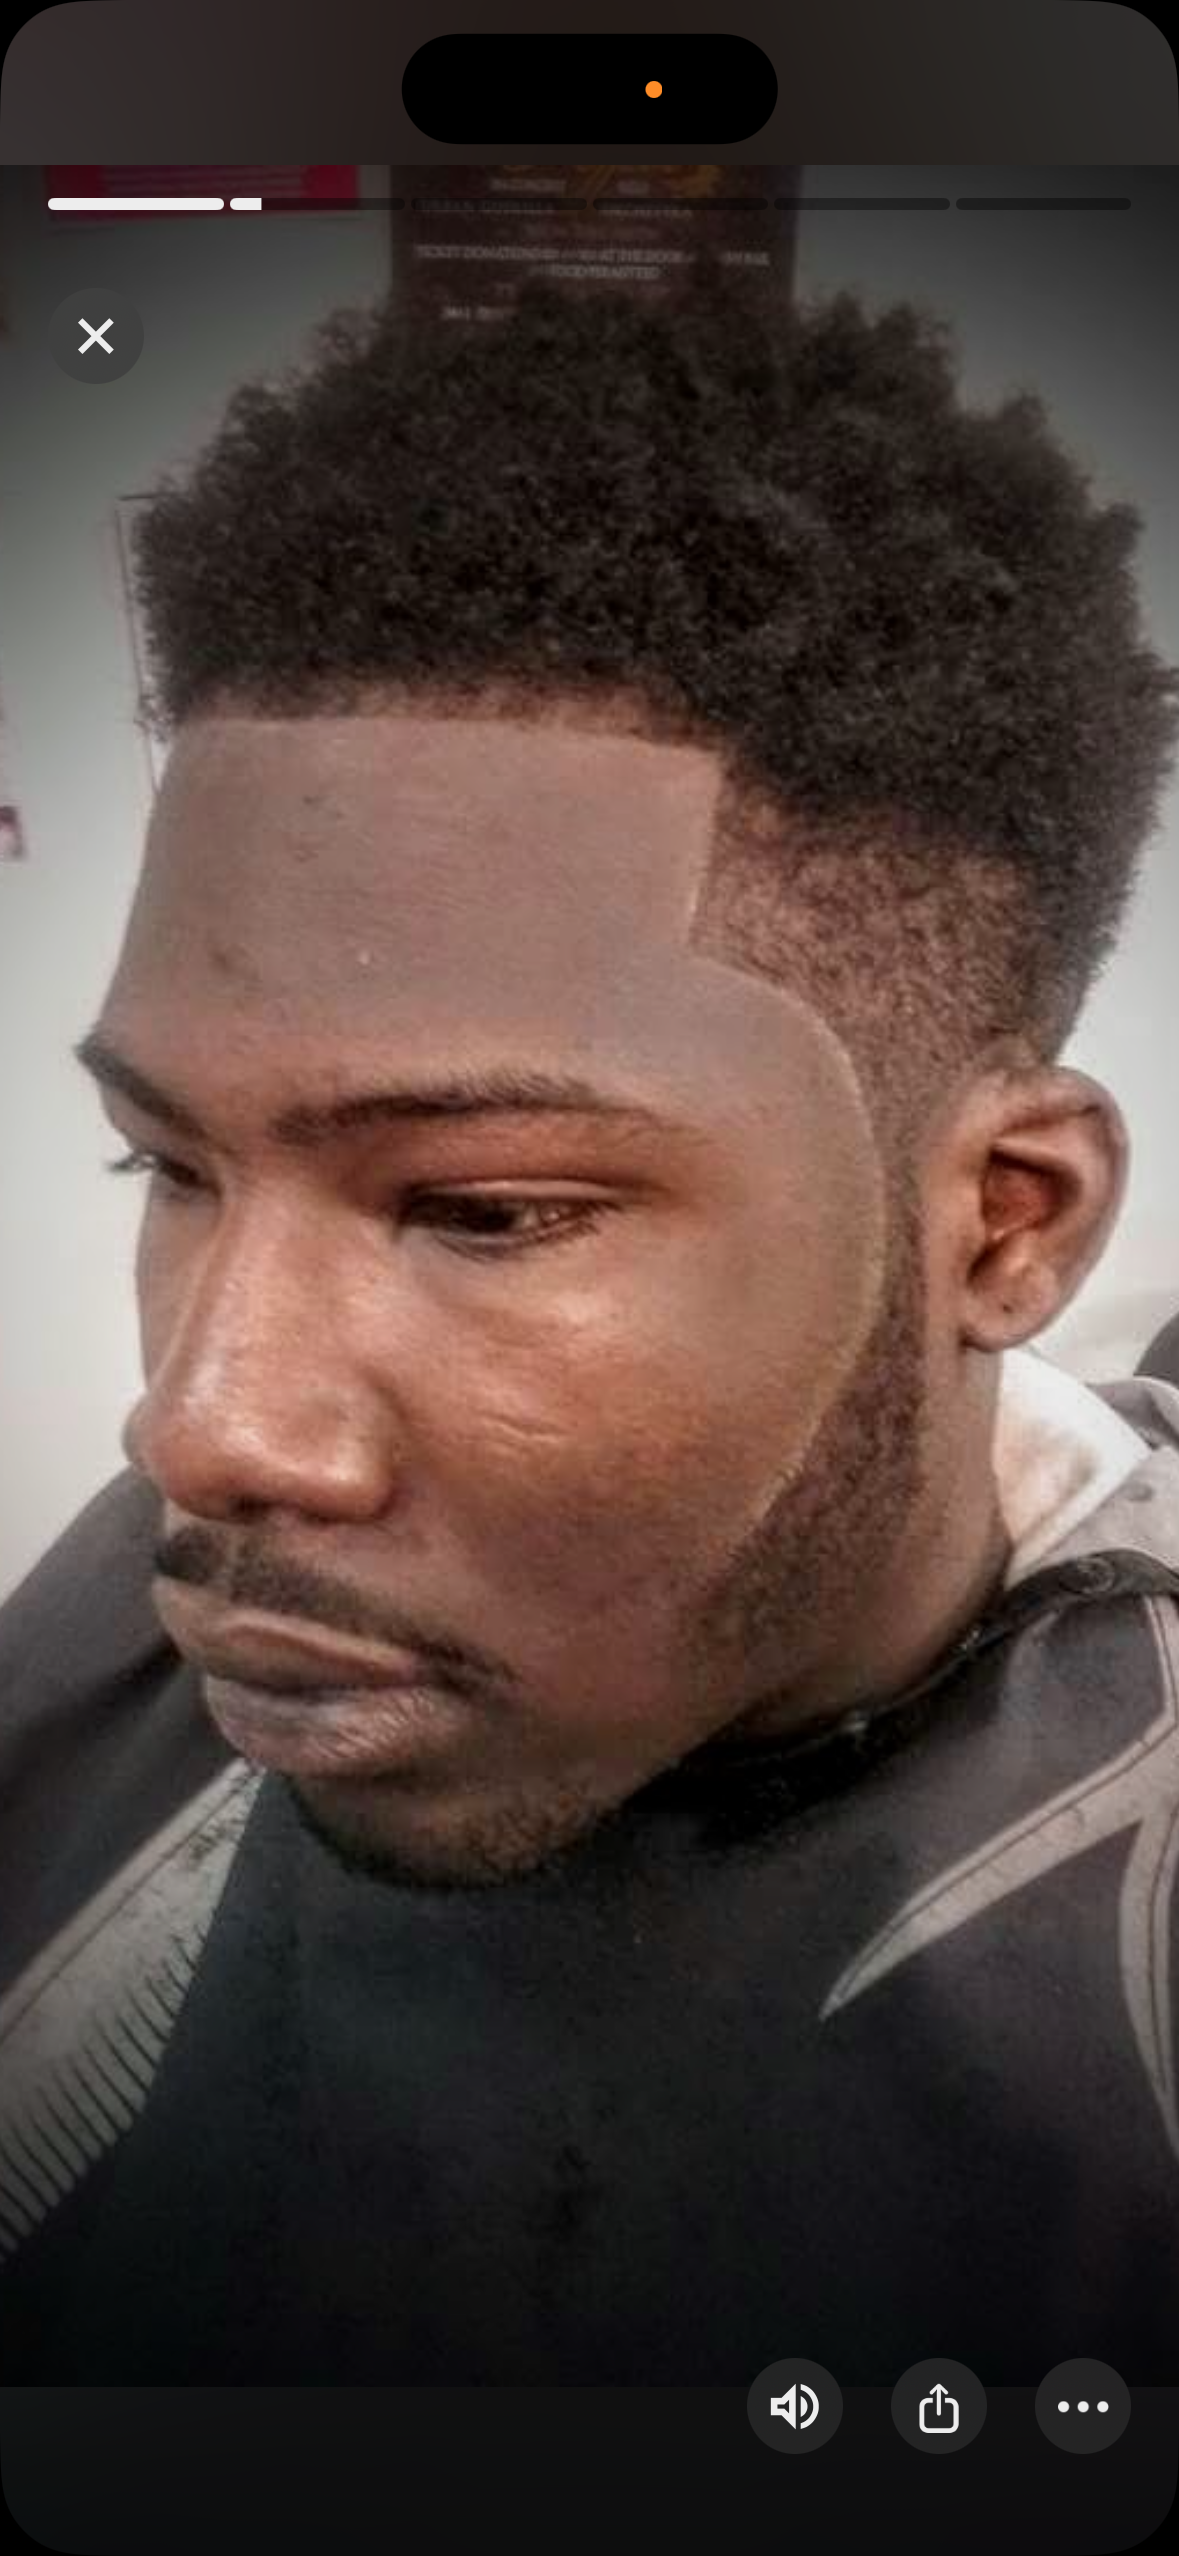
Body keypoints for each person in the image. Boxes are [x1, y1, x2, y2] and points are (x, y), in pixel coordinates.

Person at [2, 251, 1178, 2387]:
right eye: (169, 1168)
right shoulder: (171, 1616)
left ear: (1004, 1232)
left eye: (482, 1210)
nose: (205, 1425)